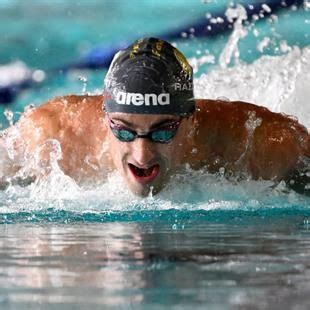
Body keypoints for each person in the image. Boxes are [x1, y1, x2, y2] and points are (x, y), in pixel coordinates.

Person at [0, 37, 309, 196]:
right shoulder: (53, 136)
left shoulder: (256, 144)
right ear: (105, 117)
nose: (142, 154)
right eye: (124, 131)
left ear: (191, 118)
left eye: (163, 131)